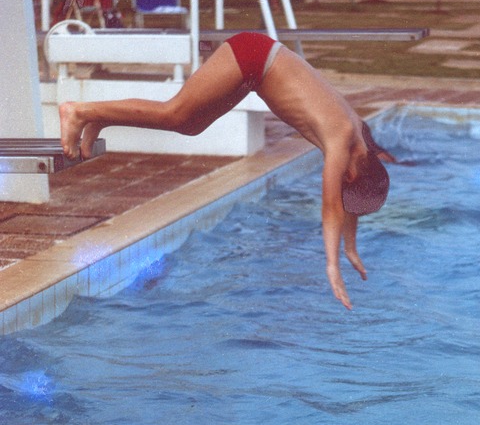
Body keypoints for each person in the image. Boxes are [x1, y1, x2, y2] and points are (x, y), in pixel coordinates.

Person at [59, 32, 393, 311]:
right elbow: (333, 206)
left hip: (258, 68)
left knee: (190, 126)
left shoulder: (361, 137)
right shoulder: (340, 140)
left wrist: (351, 248)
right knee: (175, 113)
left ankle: (101, 116)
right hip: (252, 56)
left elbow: (349, 200)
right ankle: (79, 111)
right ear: (351, 175)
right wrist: (332, 266)